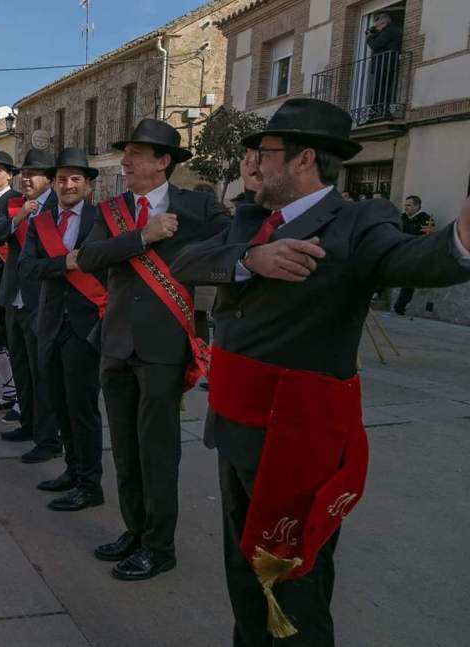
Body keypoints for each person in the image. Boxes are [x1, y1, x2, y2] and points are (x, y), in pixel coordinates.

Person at [172, 97, 470, 646]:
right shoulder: (255, 221)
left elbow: (408, 258)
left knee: (295, 586)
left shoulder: (358, 220)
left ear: (304, 158)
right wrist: (250, 259)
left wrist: (460, 242)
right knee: (243, 572)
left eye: (265, 153)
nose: (254, 164)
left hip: (297, 438)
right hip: (235, 428)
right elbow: (185, 262)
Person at [77, 118, 229, 581]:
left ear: (163, 161)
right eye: (126, 154)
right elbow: (88, 258)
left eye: (136, 154)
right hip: (116, 343)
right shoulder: (112, 211)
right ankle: (135, 530)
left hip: (165, 345)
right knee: (124, 447)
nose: (125, 161)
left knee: (157, 451)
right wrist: (143, 236)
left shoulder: (198, 207)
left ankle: (159, 546)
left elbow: (232, 246)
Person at [19, 148, 108, 511]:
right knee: (59, 402)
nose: (68, 185)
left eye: (75, 179)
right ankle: (72, 471)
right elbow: (26, 267)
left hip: (87, 326)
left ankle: (90, 484)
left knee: (82, 408)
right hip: (50, 323)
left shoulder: (102, 219)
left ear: (88, 185)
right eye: (61, 179)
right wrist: (62, 263)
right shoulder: (41, 222)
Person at [0, 149, 63, 461]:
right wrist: (17, 218)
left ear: (49, 179)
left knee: (41, 371)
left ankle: (49, 439)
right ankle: (28, 423)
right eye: (25, 174)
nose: (26, 179)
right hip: (13, 296)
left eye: (33, 174)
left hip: (41, 300)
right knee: (21, 366)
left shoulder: (58, 206)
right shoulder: (14, 204)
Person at [392, 194, 436, 315]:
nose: (405, 208)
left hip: (415, 254)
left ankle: (399, 307)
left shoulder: (426, 219)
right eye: (405, 205)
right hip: (399, 252)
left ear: (417, 206)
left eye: (409, 205)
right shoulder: (402, 217)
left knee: (408, 281)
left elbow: (427, 238)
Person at [365, 12, 402, 119]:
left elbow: (375, 45)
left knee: (381, 89)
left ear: (383, 23)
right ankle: (378, 111)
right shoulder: (387, 31)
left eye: (377, 25)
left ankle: (379, 112)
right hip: (384, 64)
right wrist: (373, 33)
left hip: (384, 64)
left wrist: (369, 37)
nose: (376, 28)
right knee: (380, 89)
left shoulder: (390, 30)